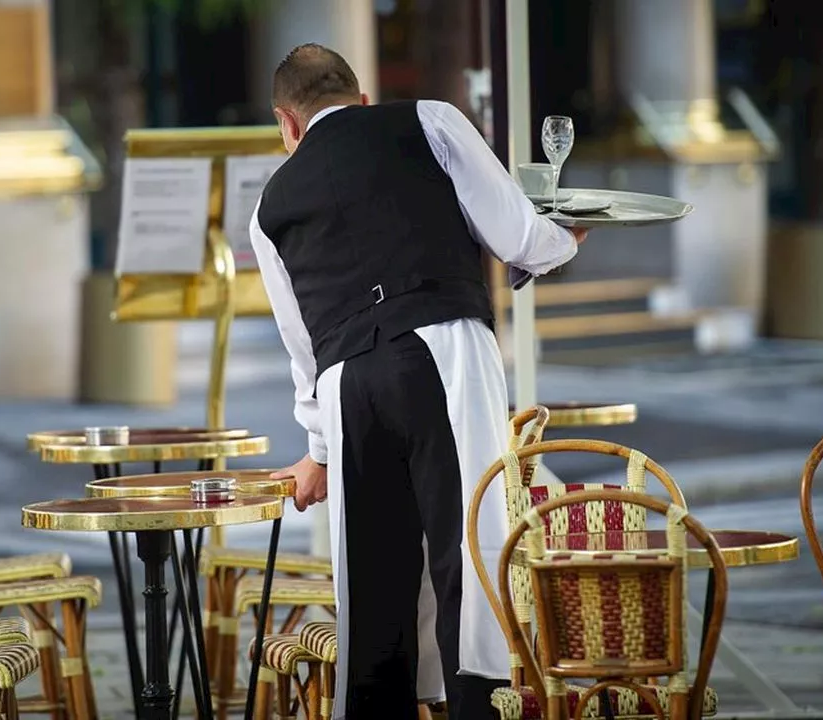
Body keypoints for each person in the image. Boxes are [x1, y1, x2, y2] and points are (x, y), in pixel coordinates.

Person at [249, 43, 586, 719]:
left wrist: (319, 449)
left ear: (285, 122)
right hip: (445, 346)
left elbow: (302, 346)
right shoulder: (429, 119)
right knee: (470, 546)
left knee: (373, 579)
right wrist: (566, 242)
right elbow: (518, 233)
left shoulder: (268, 208)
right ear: (362, 98)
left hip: (347, 380)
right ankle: (477, 707)